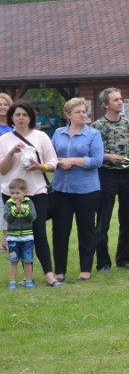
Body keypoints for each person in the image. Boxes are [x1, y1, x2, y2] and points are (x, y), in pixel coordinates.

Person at [0, 100, 63, 286]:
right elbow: (3, 170)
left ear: (31, 117)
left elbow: (53, 163)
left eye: (25, 114)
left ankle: (49, 275)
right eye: (17, 114)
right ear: (11, 117)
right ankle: (25, 277)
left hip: (37, 191)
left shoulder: (41, 137)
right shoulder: (4, 140)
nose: (21, 118)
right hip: (11, 193)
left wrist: (40, 166)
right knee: (17, 234)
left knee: (39, 233)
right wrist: (11, 152)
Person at [51, 98, 104, 282]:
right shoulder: (58, 133)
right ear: (68, 115)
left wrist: (73, 161)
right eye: (78, 112)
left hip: (86, 190)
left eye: (84, 111)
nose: (83, 114)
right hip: (61, 189)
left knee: (86, 229)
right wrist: (58, 162)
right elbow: (50, 156)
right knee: (60, 230)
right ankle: (59, 271)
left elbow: (97, 160)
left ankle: (85, 269)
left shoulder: (93, 134)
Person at [92, 88, 129, 272]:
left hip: (127, 175)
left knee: (128, 219)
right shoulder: (97, 127)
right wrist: (108, 157)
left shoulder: (128, 123)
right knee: (103, 221)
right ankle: (103, 263)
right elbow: (94, 153)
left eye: (120, 99)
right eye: (115, 100)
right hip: (106, 175)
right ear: (105, 104)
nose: (120, 102)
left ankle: (124, 259)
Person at [5, 178, 36, 289]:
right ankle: (12, 282)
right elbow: (7, 218)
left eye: (18, 193)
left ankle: (28, 280)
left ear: (25, 192)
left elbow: (32, 217)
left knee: (27, 260)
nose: (15, 196)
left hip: (27, 237)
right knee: (13, 261)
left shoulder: (29, 202)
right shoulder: (9, 204)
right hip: (13, 238)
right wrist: (15, 211)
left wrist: (23, 211)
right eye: (12, 193)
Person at [0, 93, 14, 251]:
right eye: (0, 104)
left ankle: (6, 238)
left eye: (5, 104)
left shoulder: (14, 127)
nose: (2, 107)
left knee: (6, 204)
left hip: (11, 171)